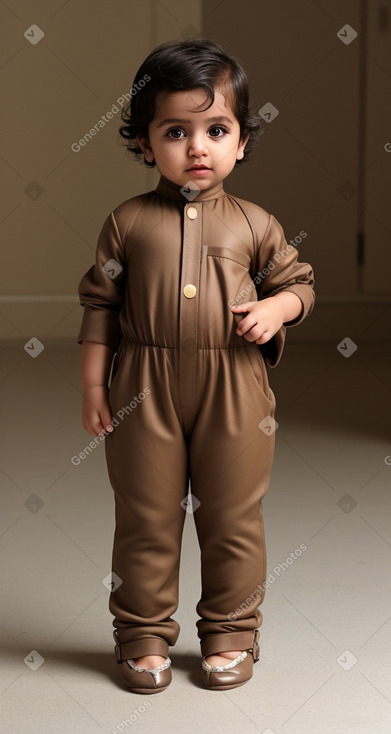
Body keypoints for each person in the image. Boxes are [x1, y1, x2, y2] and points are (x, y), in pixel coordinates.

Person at [77, 38, 315, 694]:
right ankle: (142, 634)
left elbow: (300, 284)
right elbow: (100, 306)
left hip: (234, 387)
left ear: (241, 142)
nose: (197, 147)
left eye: (216, 130)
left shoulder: (255, 224)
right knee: (146, 515)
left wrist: (278, 308)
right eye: (175, 131)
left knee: (231, 514)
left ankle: (232, 632)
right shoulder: (127, 223)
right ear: (145, 144)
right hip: (141, 390)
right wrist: (96, 385)